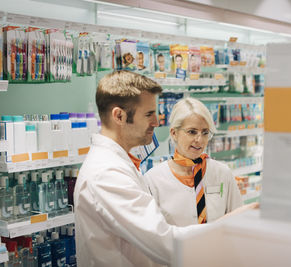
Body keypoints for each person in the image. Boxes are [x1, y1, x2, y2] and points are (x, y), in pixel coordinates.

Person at [74, 70, 258, 267]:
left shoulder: (119, 164)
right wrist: (229, 222)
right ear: (119, 116)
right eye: (149, 114)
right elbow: (167, 243)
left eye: (205, 133)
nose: (157, 121)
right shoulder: (107, 174)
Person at [144, 98, 243, 226]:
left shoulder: (222, 173)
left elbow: (238, 221)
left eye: (205, 132)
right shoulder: (153, 180)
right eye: (192, 132)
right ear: (174, 133)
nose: (199, 140)